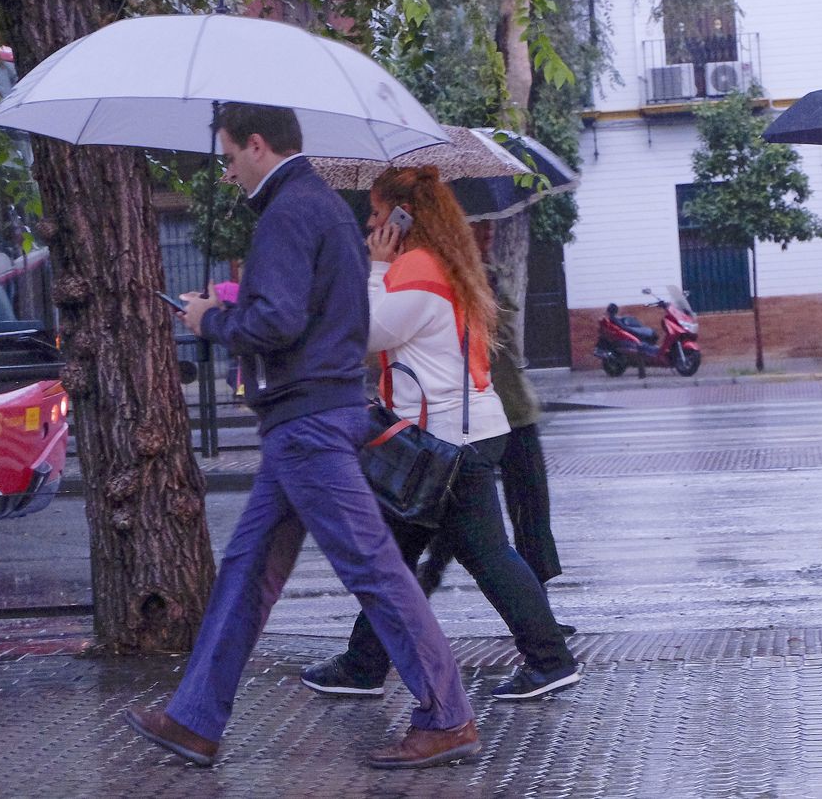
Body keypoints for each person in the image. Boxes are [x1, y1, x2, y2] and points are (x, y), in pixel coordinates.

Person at [124, 105, 479, 771]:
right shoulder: (323, 208)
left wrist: (210, 319)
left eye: (229, 158)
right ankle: (194, 721)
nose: (227, 173)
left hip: (307, 424)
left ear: (257, 146)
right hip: (314, 415)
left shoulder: (288, 212)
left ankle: (448, 715)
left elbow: (277, 322)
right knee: (246, 572)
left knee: (372, 570)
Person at [301, 166, 579, 702]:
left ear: (406, 216)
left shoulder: (417, 268)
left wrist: (374, 269)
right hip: (456, 435)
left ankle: (549, 659)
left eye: (378, 212)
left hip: (448, 441)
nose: (371, 221)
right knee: (399, 553)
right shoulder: (439, 262)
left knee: (484, 557)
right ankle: (363, 664)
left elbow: (367, 333)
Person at [417, 220, 566, 618]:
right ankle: (426, 580)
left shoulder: (491, 276)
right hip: (478, 415)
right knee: (462, 514)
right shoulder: (448, 280)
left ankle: (540, 610)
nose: (488, 234)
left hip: (516, 408)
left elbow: (509, 342)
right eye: (477, 227)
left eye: (488, 227)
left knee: (531, 511)